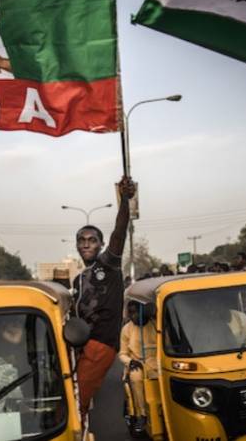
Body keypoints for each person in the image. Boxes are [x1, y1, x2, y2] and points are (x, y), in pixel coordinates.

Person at [72, 176, 135, 416]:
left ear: (100, 245)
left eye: (92, 240)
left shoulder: (108, 265)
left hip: (101, 344)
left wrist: (125, 200)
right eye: (82, 240)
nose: (86, 244)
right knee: (71, 397)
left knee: (77, 403)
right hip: (80, 345)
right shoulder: (78, 279)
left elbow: (119, 232)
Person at [118, 301, 157, 435]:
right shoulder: (126, 329)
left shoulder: (155, 325)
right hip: (137, 364)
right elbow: (122, 354)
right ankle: (141, 416)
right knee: (135, 377)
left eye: (135, 312)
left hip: (156, 363)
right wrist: (130, 362)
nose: (133, 316)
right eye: (130, 313)